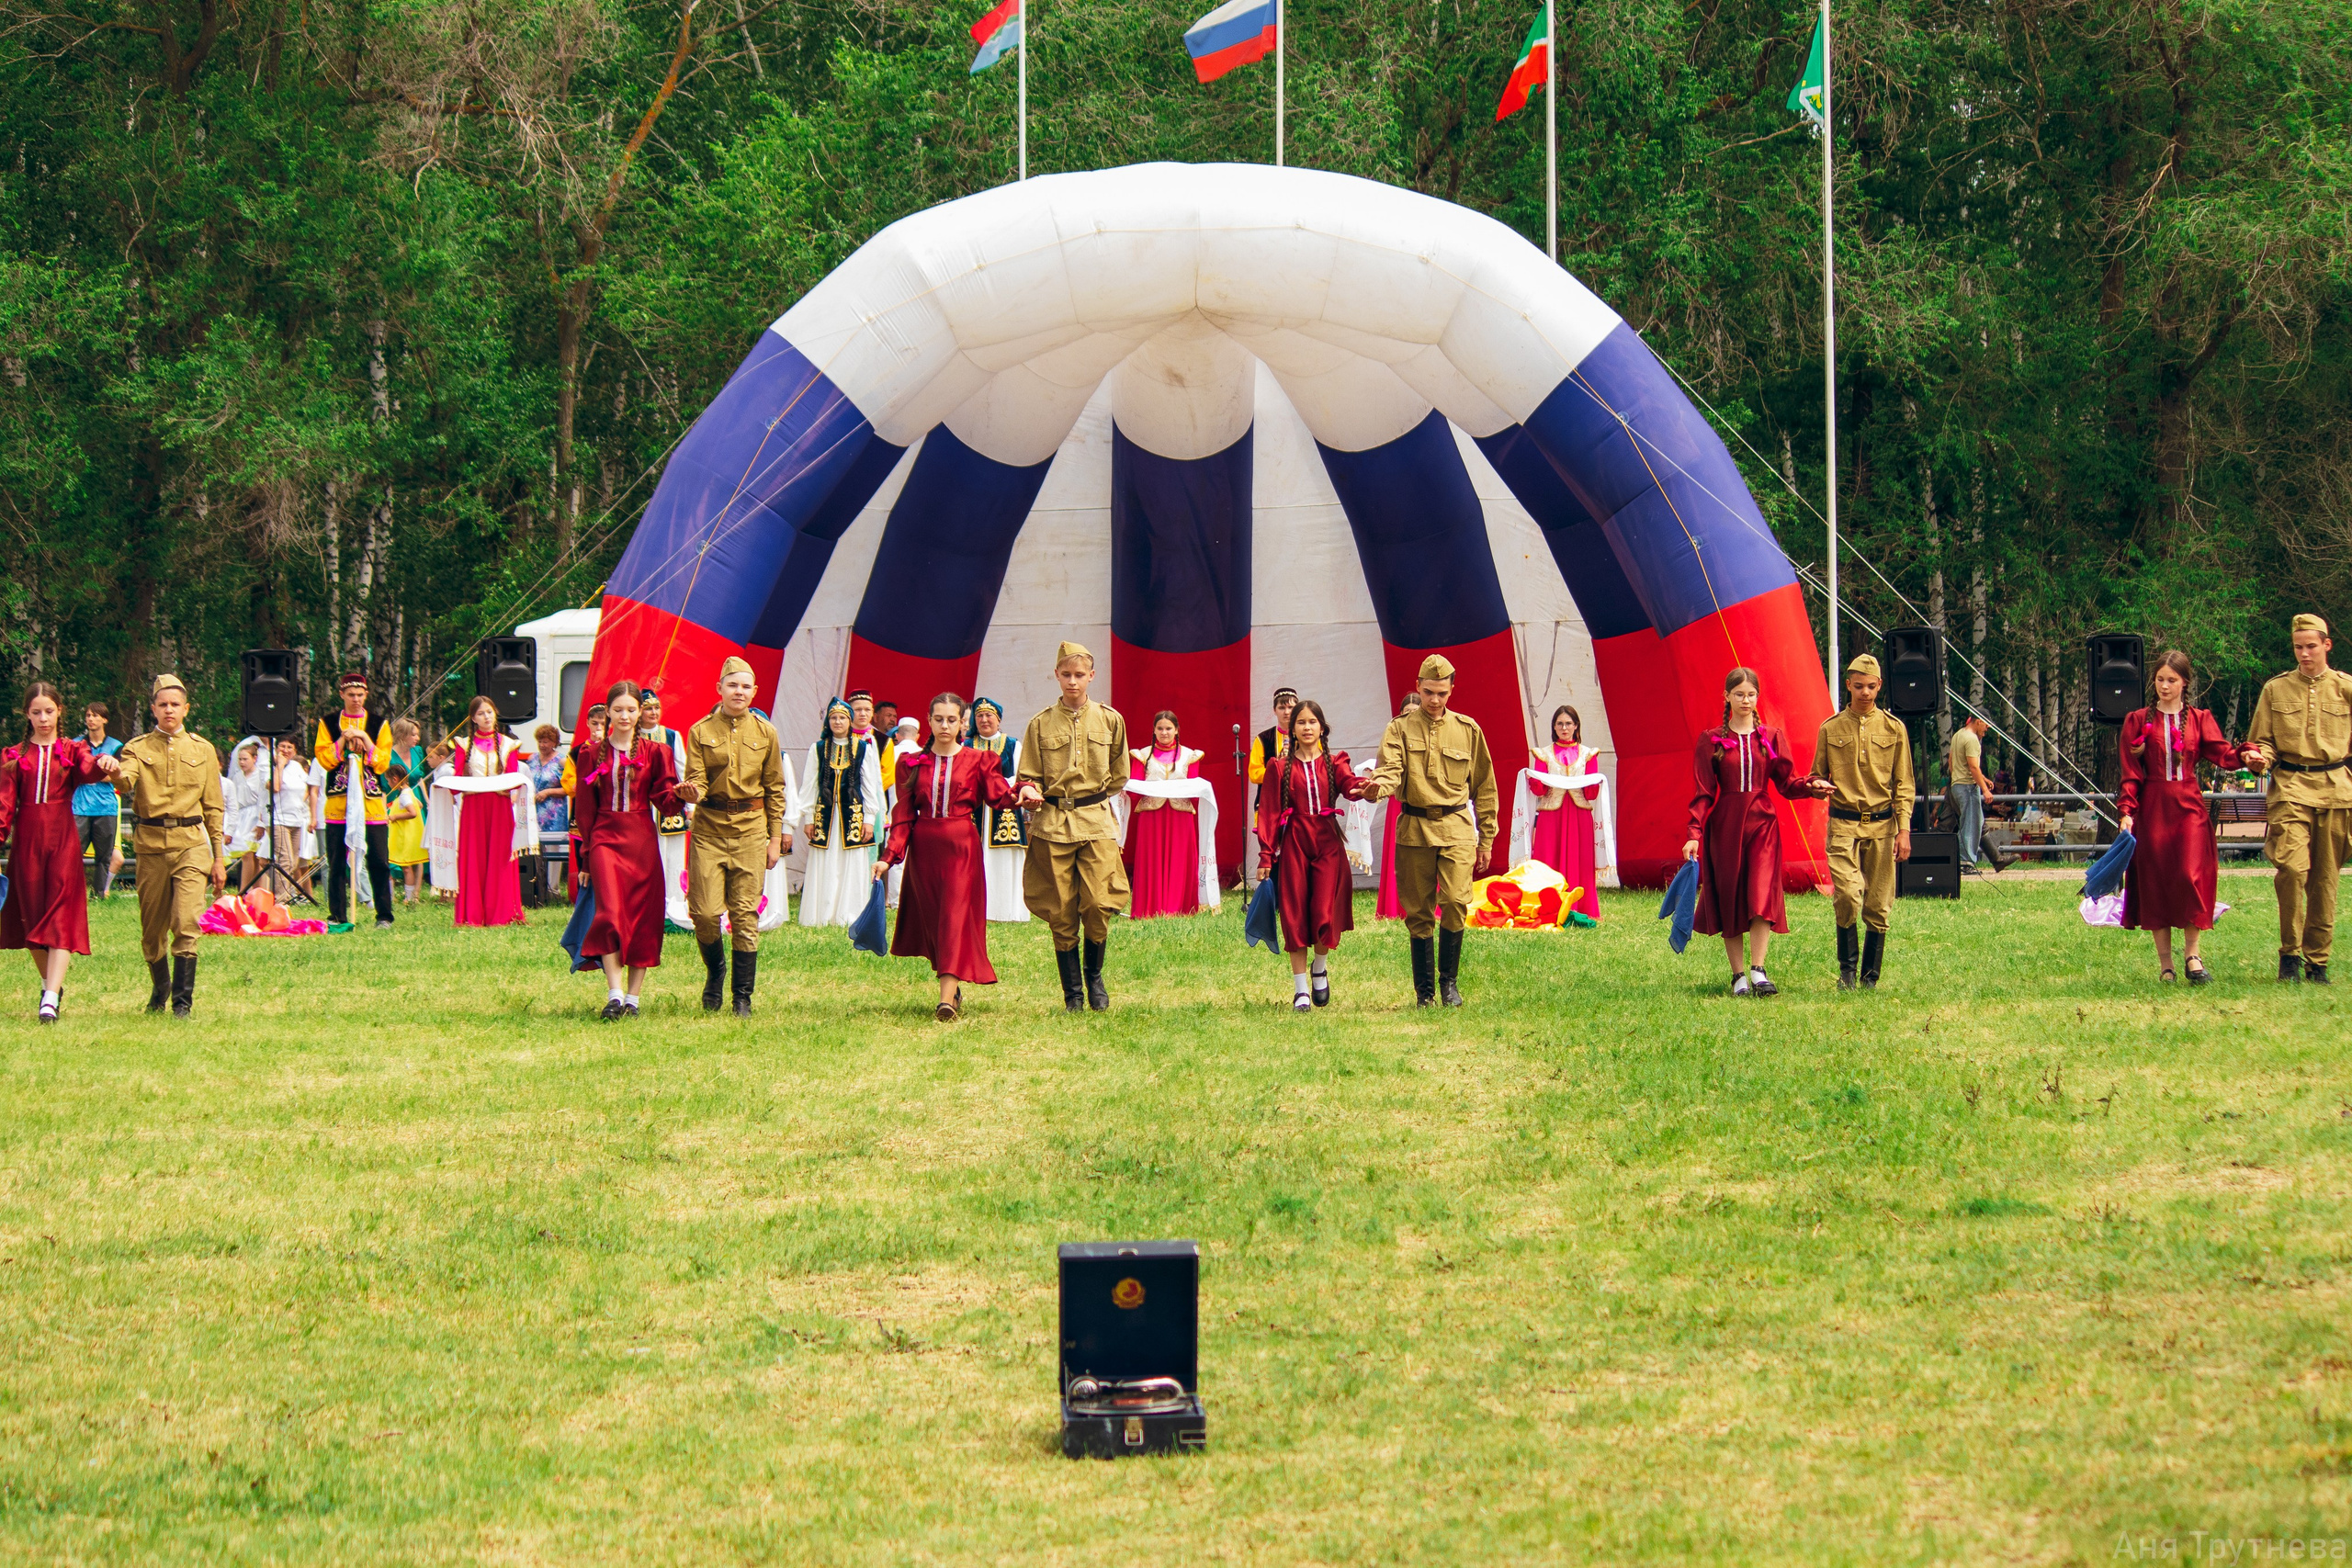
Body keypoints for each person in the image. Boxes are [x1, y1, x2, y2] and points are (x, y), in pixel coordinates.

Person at [876, 693, 1027, 1021]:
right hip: (924, 851)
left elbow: (1001, 797)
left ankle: (945, 1000)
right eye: (939, 719)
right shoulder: (911, 763)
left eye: (952, 720)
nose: (945, 725)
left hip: (961, 848)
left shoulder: (980, 760)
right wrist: (889, 856)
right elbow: (903, 815)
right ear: (929, 721)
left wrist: (1024, 790)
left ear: (962, 723)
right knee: (935, 921)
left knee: (954, 919)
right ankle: (952, 985)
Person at [1361, 655, 1498, 1008]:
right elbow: (1390, 770)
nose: (1434, 700)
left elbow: (1485, 787)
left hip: (1456, 827)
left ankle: (1449, 984)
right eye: (1428, 692)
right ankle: (1425, 994)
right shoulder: (1399, 729)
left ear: (1452, 690)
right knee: (1418, 912)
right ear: (1418, 687)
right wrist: (1377, 788)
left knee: (1455, 901)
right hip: (1415, 828)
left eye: (1441, 693)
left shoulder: (1468, 730)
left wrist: (1487, 837)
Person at [1684, 666, 1831, 998]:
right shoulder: (1711, 740)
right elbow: (1704, 792)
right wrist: (1694, 833)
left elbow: (1787, 782)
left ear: (1757, 697)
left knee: (1761, 892)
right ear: (1727, 696)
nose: (1746, 700)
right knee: (1731, 896)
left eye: (1751, 694)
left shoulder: (1771, 737)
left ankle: (1758, 970)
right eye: (1739, 694)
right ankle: (1738, 975)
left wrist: (1812, 786)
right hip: (1725, 828)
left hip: (1763, 824)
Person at [1014, 642, 1132, 1012]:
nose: (1072, 681)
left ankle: (1094, 976)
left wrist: (1091, 799)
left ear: (1091, 676)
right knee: (1061, 908)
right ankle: (1073, 995)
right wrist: (1029, 790)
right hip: (1052, 823)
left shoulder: (1111, 720)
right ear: (1056, 675)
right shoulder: (1040, 723)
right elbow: (1028, 775)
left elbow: (1120, 774)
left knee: (1098, 901)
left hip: (1096, 821)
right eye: (1066, 674)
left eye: (1079, 675)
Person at [2118, 649, 2246, 984]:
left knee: (2190, 876)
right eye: (2159, 679)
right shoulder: (2137, 721)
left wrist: (2248, 755)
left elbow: (2224, 754)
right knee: (2155, 881)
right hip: (2153, 807)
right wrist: (2127, 811)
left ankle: (2193, 955)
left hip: (2189, 805)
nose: (2164, 686)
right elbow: (2131, 773)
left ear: (2185, 682)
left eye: (2171, 680)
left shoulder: (2200, 719)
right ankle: (2166, 965)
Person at [2238, 613, 2351, 984]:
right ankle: (2290, 954)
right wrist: (2259, 758)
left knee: (2325, 879)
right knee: (2290, 869)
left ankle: (2318, 962)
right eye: (2298, 647)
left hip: (2336, 791)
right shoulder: (2276, 689)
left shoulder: (2346, 688)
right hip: (2290, 788)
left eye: (2311, 646)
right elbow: (2262, 741)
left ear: (2327, 645)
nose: (2304, 653)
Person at [677, 656, 793, 1015]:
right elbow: (697, 777)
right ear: (720, 689)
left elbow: (775, 788)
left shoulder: (766, 732)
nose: (738, 692)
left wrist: (775, 838)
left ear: (754, 692)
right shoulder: (700, 731)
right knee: (704, 912)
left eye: (745, 686)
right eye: (732, 685)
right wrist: (692, 791)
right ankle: (715, 972)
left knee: (745, 914)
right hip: (709, 828)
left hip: (751, 829)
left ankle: (742, 996)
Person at [109, 673, 225, 1016]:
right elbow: (125, 781)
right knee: (152, 931)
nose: (169, 710)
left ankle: (182, 1004)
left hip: (191, 844)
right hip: (150, 847)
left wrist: (219, 858)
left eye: (175, 704)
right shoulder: (137, 747)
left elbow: (214, 807)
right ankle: (161, 987)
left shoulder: (203, 749)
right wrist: (113, 772)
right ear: (153, 709)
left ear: (186, 708)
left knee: (186, 921)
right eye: (163, 704)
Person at [0, 683, 110, 1021]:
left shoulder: (73, 750)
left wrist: (106, 763)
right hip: (27, 844)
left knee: (60, 915)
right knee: (30, 920)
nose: (43, 718)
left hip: (63, 841)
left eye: (49, 711)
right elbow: (4, 806)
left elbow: (90, 769)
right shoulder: (13, 756)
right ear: (27, 715)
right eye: (36, 712)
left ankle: (49, 999)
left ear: (59, 711)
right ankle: (52, 986)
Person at [571, 682, 681, 1019]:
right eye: (618, 709)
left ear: (640, 712)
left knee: (642, 917)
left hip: (641, 840)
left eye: (631, 710)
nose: (625, 716)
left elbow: (666, 802)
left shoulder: (657, 752)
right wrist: (586, 856)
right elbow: (584, 810)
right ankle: (614, 994)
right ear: (608, 712)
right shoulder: (590, 754)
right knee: (610, 913)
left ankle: (633, 998)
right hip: (605, 838)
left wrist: (682, 796)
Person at [1255, 698, 1369, 1010]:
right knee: (1294, 915)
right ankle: (1301, 989)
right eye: (1301, 722)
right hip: (1295, 843)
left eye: (1312, 722)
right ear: (1292, 729)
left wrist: (1366, 787)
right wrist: (1266, 856)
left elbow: (1350, 784)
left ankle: (1319, 967)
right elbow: (1269, 813)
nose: (1307, 727)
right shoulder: (1278, 767)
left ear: (1322, 727)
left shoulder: (1335, 762)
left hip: (1328, 844)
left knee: (1323, 912)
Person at [1815, 654, 1915, 991]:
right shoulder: (1830, 728)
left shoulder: (1894, 728)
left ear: (1880, 686)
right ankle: (1847, 973)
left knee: (1879, 903)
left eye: (1871, 686)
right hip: (1843, 825)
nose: (1865, 693)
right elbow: (1817, 774)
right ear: (1848, 685)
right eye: (1859, 686)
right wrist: (1816, 785)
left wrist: (1904, 830)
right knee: (1847, 894)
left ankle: (1869, 978)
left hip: (1883, 826)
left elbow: (1904, 784)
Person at [312, 671, 396, 931]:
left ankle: (384, 915)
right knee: (336, 861)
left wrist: (366, 741)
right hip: (339, 803)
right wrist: (343, 740)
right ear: (342, 695)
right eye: (351, 695)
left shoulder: (379, 724)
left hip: (371, 804)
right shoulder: (328, 723)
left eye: (360, 694)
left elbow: (383, 763)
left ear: (366, 695)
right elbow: (324, 759)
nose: (356, 699)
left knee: (379, 860)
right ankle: (337, 914)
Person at [797, 697, 885, 927]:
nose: (837, 722)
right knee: (824, 860)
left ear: (850, 721)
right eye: (833, 718)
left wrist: (869, 819)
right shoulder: (818, 748)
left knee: (851, 862)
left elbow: (870, 785)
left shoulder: (863, 748)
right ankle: (820, 915)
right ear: (828, 721)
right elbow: (809, 785)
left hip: (852, 815)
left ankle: (849, 914)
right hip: (824, 815)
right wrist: (808, 817)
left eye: (842, 718)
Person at [447, 694, 528, 928]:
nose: (486, 717)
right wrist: (443, 786)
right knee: (473, 859)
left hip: (500, 807)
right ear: (473, 718)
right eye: (481, 713)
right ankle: (472, 914)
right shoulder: (463, 744)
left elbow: (512, 779)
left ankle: (501, 914)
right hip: (473, 809)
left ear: (495, 714)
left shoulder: (508, 745)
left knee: (500, 859)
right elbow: (457, 780)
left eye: (489, 712)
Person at [1521, 705, 1602, 920]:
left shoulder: (1589, 754)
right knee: (1548, 859)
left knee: (1581, 860)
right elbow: (1539, 790)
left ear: (1576, 726)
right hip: (1551, 815)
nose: (1564, 728)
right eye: (1560, 724)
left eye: (1568, 723)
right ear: (1554, 727)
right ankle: (1547, 907)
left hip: (1579, 814)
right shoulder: (1543, 754)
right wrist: (1534, 780)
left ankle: (1580, 906)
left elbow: (1591, 793)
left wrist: (1595, 781)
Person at [1125, 712, 1208, 919]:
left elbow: (1195, 791)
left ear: (1177, 730)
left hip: (1180, 816)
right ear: (1153, 730)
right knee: (1151, 861)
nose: (1164, 732)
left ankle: (1178, 908)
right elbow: (1134, 790)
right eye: (1160, 728)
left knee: (1180, 860)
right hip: (1151, 817)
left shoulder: (1191, 756)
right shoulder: (1141, 755)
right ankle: (1150, 908)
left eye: (1169, 728)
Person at [967, 698, 1029, 922]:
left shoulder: (1012, 744)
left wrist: (996, 785)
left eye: (989, 715)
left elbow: (1020, 776)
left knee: (1004, 858)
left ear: (999, 719)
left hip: (1004, 808)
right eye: (979, 716)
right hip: (974, 808)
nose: (984, 720)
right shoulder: (966, 745)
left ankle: (1005, 909)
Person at [638, 688, 694, 928]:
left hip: (668, 805)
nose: (653, 712)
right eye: (648, 708)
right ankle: (645, 909)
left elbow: (683, 770)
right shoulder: (631, 737)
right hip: (641, 805)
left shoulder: (671, 736)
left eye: (656, 708)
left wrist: (689, 805)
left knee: (673, 857)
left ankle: (674, 910)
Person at [1245, 686, 1298, 891]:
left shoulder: (1307, 735)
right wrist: (1277, 769)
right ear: (1274, 710)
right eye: (1282, 707)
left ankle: (1295, 893)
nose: (1287, 712)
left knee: (1296, 850)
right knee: (1272, 851)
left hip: (1298, 802)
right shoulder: (1263, 739)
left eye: (1291, 707)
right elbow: (1254, 773)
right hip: (1270, 804)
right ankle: (1274, 895)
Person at [1374, 691, 1419, 920]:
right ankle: (1394, 907)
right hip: (1398, 801)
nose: (1410, 716)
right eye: (1406, 712)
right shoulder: (1392, 735)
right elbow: (1382, 767)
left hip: (1423, 801)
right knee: (1397, 853)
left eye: (1415, 712)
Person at [1947, 714, 2012, 874]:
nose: (1987, 729)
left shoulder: (1958, 735)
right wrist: (1985, 789)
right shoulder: (1972, 739)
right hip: (1968, 787)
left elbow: (1951, 761)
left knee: (1978, 823)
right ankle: (1965, 863)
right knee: (1970, 825)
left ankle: (1997, 860)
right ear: (1979, 721)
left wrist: (1982, 779)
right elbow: (1973, 767)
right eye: (1986, 725)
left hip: (1956, 785)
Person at [73, 701, 124, 898]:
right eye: (88, 715)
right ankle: (72, 893)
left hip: (106, 807)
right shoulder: (76, 744)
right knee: (73, 855)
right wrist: (100, 772)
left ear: (104, 719)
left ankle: (98, 895)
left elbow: (118, 775)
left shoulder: (116, 746)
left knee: (104, 857)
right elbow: (73, 772)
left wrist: (89, 773)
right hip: (79, 807)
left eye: (95, 715)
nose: (91, 719)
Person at [526, 723, 571, 898]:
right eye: (540, 741)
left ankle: (553, 890)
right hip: (535, 810)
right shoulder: (532, 759)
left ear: (554, 743)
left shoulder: (562, 761)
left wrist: (549, 792)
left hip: (554, 812)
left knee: (553, 849)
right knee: (536, 848)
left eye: (546, 741)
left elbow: (570, 788)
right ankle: (537, 887)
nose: (542, 745)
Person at [270, 737, 314, 898]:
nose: (285, 750)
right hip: (279, 820)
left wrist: (302, 803)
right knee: (285, 859)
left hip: (297, 819)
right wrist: (280, 765)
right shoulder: (270, 766)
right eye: (282, 746)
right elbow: (275, 787)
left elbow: (309, 787)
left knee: (294, 862)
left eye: (290, 747)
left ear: (295, 751)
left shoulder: (297, 767)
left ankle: (286, 893)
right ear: (276, 748)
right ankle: (281, 898)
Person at [224, 738, 269, 891]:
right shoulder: (237, 777)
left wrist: (261, 821)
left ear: (255, 758)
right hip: (242, 816)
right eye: (240, 759)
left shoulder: (260, 775)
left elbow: (263, 799)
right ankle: (246, 890)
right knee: (247, 854)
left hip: (256, 815)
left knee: (255, 854)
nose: (242, 762)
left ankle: (253, 890)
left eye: (245, 759)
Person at [384, 760, 428, 903]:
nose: (388, 784)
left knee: (406, 868)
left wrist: (395, 816)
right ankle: (409, 896)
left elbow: (413, 812)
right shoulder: (409, 792)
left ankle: (408, 898)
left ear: (395, 779)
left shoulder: (404, 795)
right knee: (407, 866)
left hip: (405, 837)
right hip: (409, 836)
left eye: (389, 781)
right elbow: (419, 805)